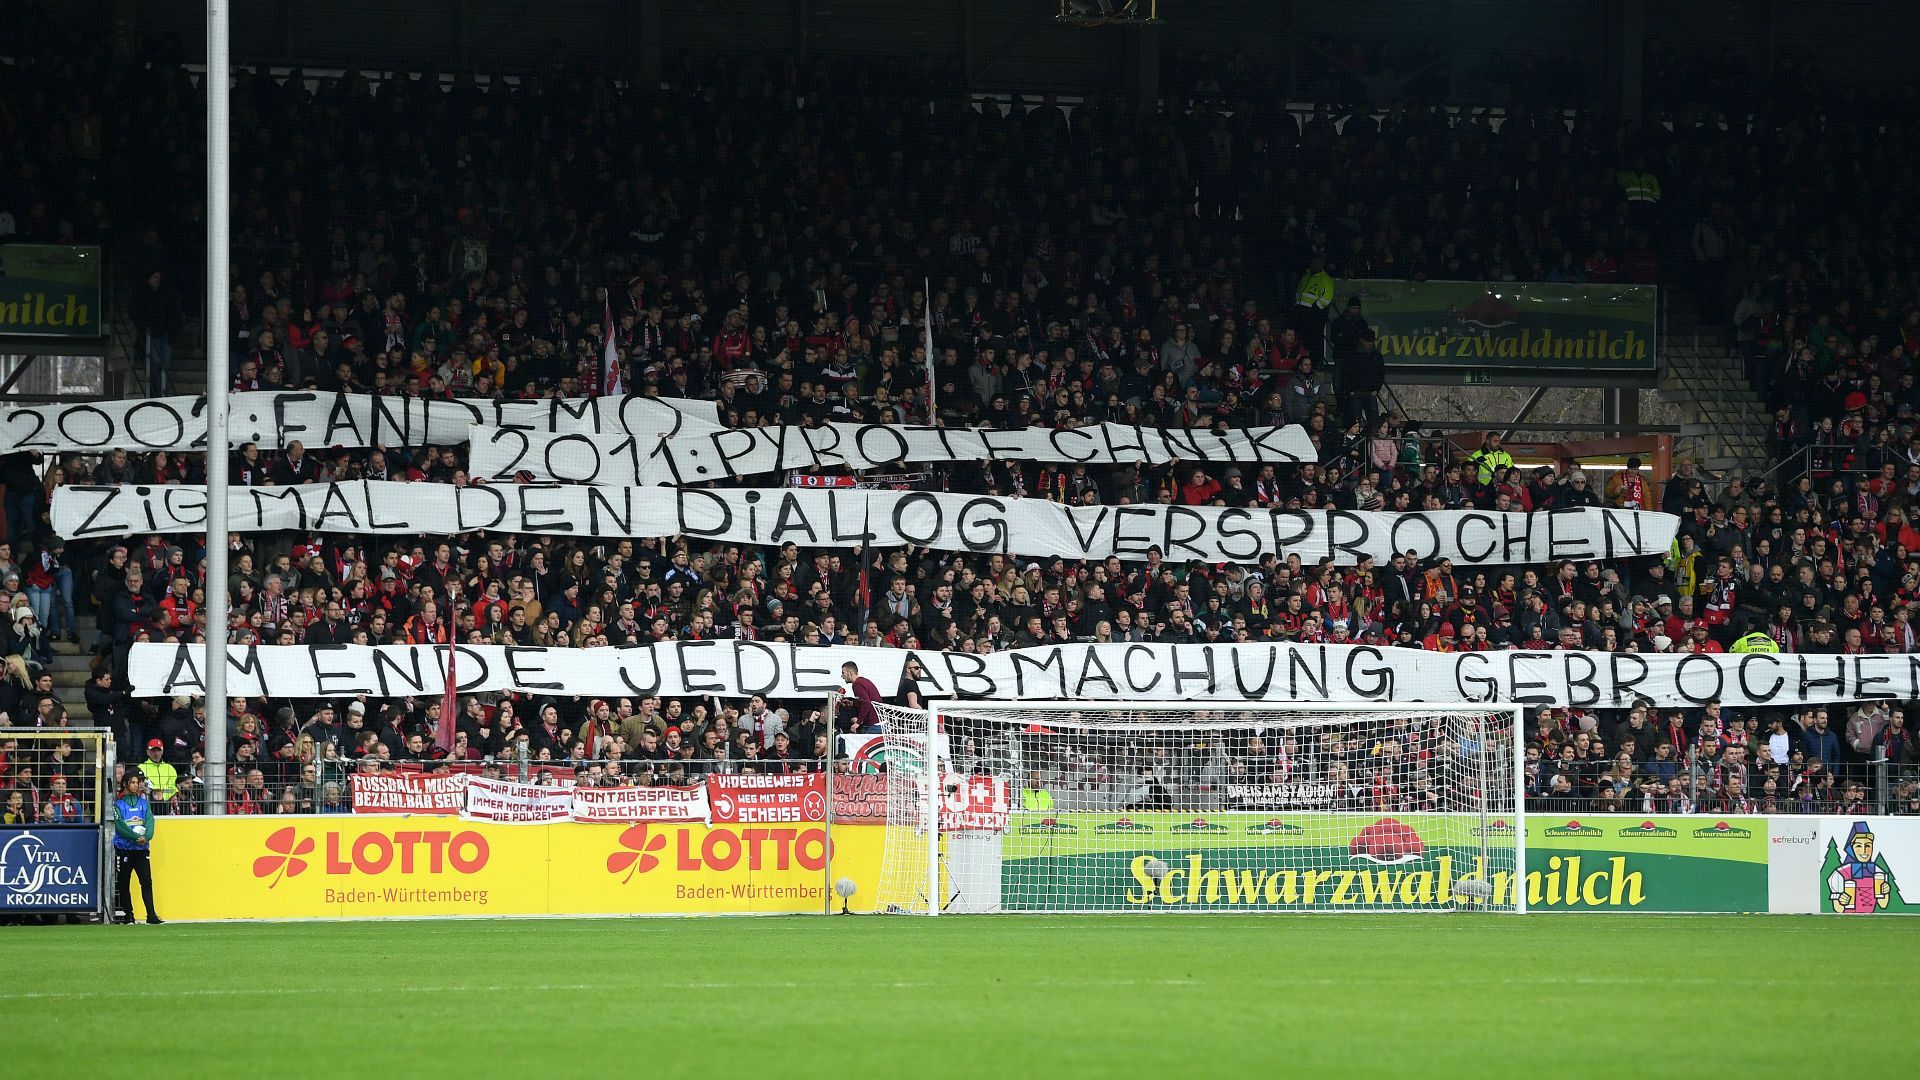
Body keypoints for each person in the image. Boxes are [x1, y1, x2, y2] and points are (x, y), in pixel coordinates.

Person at [112, 771, 162, 925]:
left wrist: (146, 837)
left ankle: (151, 915)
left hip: (141, 849)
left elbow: (150, 822)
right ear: (125, 784)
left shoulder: (143, 803)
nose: (136, 785)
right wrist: (135, 837)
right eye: (133, 782)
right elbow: (120, 826)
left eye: (137, 782)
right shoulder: (118, 805)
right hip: (125, 849)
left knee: (146, 881)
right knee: (124, 882)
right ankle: (128, 915)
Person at [838, 661, 883, 733]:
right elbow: (866, 701)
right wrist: (852, 703)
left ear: (850, 673)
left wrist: (858, 722)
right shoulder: (864, 681)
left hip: (872, 725)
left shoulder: (857, 684)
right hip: (878, 723)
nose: (842, 676)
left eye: (843, 673)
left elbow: (867, 703)